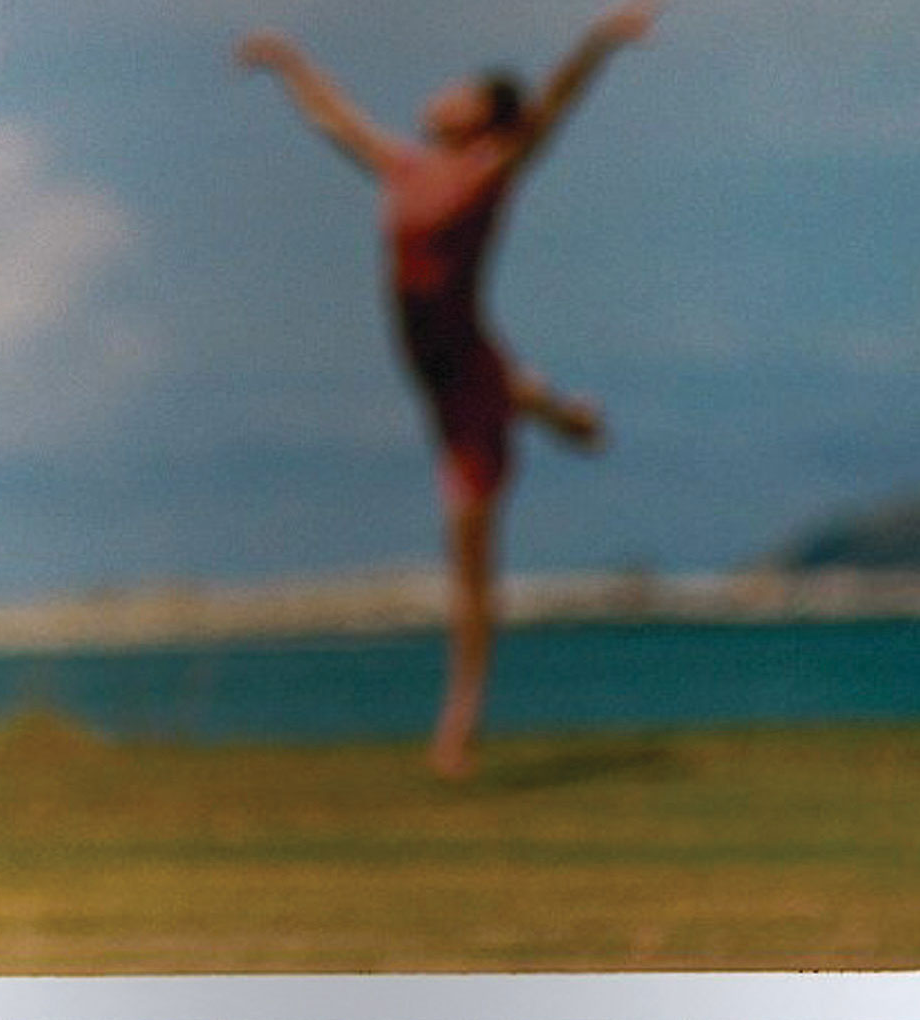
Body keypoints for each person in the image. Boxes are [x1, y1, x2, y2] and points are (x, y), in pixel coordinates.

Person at [238, 3, 656, 781]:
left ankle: (455, 730)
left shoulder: (487, 172)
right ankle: (560, 412)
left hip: (464, 387)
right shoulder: (404, 167)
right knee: (495, 379)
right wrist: (288, 61)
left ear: (483, 120)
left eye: (461, 92)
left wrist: (599, 41)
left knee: (468, 560)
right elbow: (336, 120)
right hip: (456, 370)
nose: (442, 94)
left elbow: (553, 105)